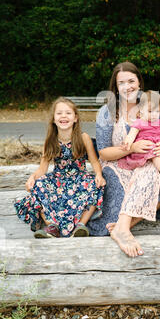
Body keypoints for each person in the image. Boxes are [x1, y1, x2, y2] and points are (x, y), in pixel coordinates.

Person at [88, 62, 160, 258]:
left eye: (131, 81)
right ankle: (122, 226)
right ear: (116, 86)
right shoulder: (107, 112)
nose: (127, 86)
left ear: (139, 82)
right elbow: (104, 153)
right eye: (122, 83)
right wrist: (132, 148)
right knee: (136, 185)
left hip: (149, 162)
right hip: (117, 164)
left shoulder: (150, 104)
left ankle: (123, 227)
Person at [14, 97, 105, 238]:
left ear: (75, 118)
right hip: (57, 180)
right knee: (39, 184)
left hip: (79, 179)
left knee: (96, 185)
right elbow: (42, 169)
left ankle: (81, 225)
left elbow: (94, 162)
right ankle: (52, 226)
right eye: (59, 113)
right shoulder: (50, 140)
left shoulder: (83, 137)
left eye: (68, 113)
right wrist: (32, 178)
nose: (63, 116)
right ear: (54, 119)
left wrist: (99, 174)